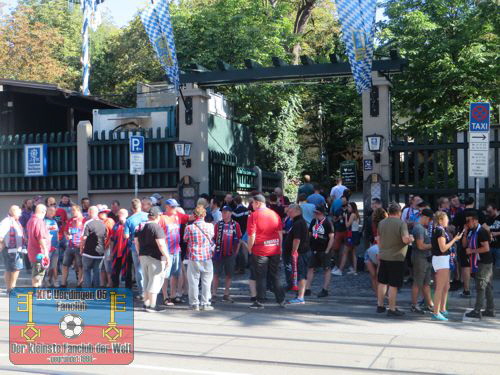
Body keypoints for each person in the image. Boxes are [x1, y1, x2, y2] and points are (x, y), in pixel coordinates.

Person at [247, 194, 285, 309]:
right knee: (275, 275)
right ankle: (281, 299)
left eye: (252, 203)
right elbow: (279, 233)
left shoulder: (254, 216)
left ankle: (260, 301)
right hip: (275, 248)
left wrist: (249, 248)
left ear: (258, 203)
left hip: (260, 249)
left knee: (261, 276)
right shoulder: (274, 214)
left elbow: (252, 235)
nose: (252, 205)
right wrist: (280, 247)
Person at [376, 202, 414, 316]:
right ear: (399, 212)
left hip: (383, 255)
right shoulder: (401, 223)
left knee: (382, 282)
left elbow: (378, 238)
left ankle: (380, 305)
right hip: (397, 257)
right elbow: (405, 240)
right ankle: (392, 309)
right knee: (393, 284)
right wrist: (411, 238)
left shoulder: (381, 223)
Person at [135, 207, 170, 313]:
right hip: (155, 257)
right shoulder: (157, 227)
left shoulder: (140, 226)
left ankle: (146, 304)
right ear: (157, 216)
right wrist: (167, 256)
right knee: (155, 280)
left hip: (143, 256)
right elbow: (161, 244)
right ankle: (152, 306)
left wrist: (139, 253)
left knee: (146, 280)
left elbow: (136, 242)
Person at [431, 211, 463, 321]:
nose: (448, 221)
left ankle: (442, 309)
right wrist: (454, 239)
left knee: (446, 287)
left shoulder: (440, 230)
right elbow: (443, 248)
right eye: (446, 219)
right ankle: (436, 312)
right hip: (441, 260)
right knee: (440, 287)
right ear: (440, 220)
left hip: (443, 259)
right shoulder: (440, 230)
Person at [463, 212, 495, 319]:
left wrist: (472, 251)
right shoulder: (473, 231)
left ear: (475, 221)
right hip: (484, 262)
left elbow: (486, 248)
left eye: (469, 221)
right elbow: (465, 244)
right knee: (487, 286)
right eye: (466, 221)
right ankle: (490, 309)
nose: (467, 223)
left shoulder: (481, 231)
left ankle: (477, 310)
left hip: (484, 263)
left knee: (481, 286)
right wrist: (465, 231)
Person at [183, 205, 215, 311]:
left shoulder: (189, 227)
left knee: (193, 281)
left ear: (194, 215)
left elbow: (185, 239)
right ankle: (205, 303)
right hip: (207, 256)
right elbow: (212, 237)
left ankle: (194, 303)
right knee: (206, 281)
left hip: (194, 257)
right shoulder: (210, 226)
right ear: (204, 214)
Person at [159, 199, 190, 305]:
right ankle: (165, 297)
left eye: (175, 206)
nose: (174, 208)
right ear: (167, 206)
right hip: (166, 251)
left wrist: (201, 211)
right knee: (165, 275)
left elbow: (191, 217)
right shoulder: (162, 218)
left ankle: (173, 295)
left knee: (176, 274)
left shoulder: (178, 215)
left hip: (176, 250)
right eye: (172, 207)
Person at [212, 206, 242, 303]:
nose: (223, 214)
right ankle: (214, 294)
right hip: (219, 253)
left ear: (230, 213)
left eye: (225, 212)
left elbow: (239, 239)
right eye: (222, 212)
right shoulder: (218, 225)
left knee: (229, 274)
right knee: (216, 274)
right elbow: (213, 238)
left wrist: (236, 252)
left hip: (230, 254)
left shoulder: (235, 225)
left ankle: (226, 294)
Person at [282, 205, 310, 305]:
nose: (288, 212)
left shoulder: (298, 223)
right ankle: (299, 295)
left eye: (290, 210)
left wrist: (294, 252)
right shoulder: (297, 222)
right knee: (298, 274)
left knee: (301, 274)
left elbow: (297, 239)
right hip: (300, 253)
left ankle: (300, 297)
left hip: (300, 253)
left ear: (296, 211)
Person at [305, 205, 334, 297]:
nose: (313, 214)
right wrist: (308, 245)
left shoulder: (327, 223)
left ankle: (325, 289)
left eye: (315, 212)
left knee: (326, 269)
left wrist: (327, 250)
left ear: (319, 213)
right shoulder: (314, 221)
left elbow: (331, 237)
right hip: (314, 249)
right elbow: (309, 234)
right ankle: (307, 288)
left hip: (324, 249)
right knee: (310, 268)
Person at [410, 209, 434, 314]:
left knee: (426, 283)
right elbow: (420, 246)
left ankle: (430, 304)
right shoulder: (419, 228)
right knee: (418, 283)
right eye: (429, 220)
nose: (429, 222)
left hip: (425, 258)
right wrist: (434, 245)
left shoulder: (422, 228)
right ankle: (414, 305)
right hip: (420, 258)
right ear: (426, 218)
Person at [124, 198, 149, 299]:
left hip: (135, 247)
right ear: (140, 206)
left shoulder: (129, 220)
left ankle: (142, 292)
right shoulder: (147, 216)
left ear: (132, 207)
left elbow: (126, 236)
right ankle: (150, 291)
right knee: (148, 269)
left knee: (139, 270)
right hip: (149, 245)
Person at [0, 205, 25, 293]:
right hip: (9, 249)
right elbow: (0, 236)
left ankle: (10, 288)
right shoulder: (6, 221)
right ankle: (11, 288)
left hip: (16, 250)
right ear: (14, 212)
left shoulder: (15, 221)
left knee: (14, 269)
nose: (20, 214)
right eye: (19, 213)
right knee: (12, 269)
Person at [80, 206, 106, 288]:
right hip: (100, 252)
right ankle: (96, 290)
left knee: (86, 271)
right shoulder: (103, 223)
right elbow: (105, 237)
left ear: (90, 212)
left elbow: (83, 238)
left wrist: (81, 249)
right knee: (96, 271)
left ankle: (88, 290)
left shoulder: (88, 223)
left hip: (88, 252)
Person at [364, 208, 388, 293]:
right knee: (382, 276)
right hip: (382, 250)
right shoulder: (386, 225)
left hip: (372, 250)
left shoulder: (373, 223)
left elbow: (368, 235)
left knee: (373, 276)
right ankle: (384, 296)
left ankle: (378, 297)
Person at [26, 204, 50, 287]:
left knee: (37, 273)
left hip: (33, 251)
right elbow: (41, 238)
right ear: (43, 211)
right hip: (39, 252)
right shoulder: (39, 221)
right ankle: (36, 294)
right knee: (38, 275)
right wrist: (46, 252)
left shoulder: (31, 220)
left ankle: (37, 292)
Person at [62, 205, 85, 288]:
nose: (72, 212)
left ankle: (79, 284)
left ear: (78, 211)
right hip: (70, 245)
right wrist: (67, 236)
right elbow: (65, 231)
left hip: (79, 246)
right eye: (71, 210)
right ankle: (63, 283)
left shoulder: (84, 220)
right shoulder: (70, 220)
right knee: (65, 265)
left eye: (73, 210)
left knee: (80, 266)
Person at [110, 209, 132, 288]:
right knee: (115, 272)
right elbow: (112, 240)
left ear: (126, 215)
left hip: (127, 252)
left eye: (122, 214)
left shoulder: (129, 224)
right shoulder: (115, 225)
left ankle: (128, 290)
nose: (120, 215)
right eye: (119, 214)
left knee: (128, 272)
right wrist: (111, 252)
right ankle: (115, 290)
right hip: (117, 252)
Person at [338, 202, 361, 275]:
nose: (348, 208)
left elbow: (347, 225)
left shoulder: (352, 215)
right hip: (355, 234)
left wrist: (345, 218)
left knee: (345, 252)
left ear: (352, 208)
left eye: (349, 207)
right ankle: (355, 270)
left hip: (351, 234)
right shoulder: (356, 215)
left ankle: (340, 270)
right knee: (353, 253)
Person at [331, 194, 349, 276]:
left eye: (344, 201)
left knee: (347, 250)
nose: (343, 202)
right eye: (342, 201)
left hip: (347, 231)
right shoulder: (338, 210)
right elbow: (333, 220)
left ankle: (347, 266)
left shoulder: (349, 210)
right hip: (338, 231)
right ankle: (336, 265)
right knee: (335, 249)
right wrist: (339, 218)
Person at [97, 205, 115, 287]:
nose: (104, 214)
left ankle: (110, 284)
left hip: (108, 247)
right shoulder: (98, 221)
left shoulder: (109, 221)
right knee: (102, 268)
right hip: (100, 247)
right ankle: (102, 284)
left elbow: (112, 235)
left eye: (104, 213)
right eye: (102, 212)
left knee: (108, 268)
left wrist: (111, 248)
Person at [232, 195, 249, 274]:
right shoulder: (246, 210)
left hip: (237, 231)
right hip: (245, 231)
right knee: (243, 250)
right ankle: (243, 267)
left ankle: (238, 267)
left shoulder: (235, 212)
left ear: (235, 202)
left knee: (238, 250)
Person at [43, 206, 59, 287]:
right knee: (46, 266)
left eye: (54, 211)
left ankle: (54, 280)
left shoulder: (55, 221)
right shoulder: (43, 221)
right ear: (47, 211)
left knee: (54, 265)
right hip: (46, 247)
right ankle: (46, 280)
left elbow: (57, 233)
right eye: (51, 211)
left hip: (55, 246)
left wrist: (57, 243)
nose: (53, 212)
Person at [485, 203, 500, 270]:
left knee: (498, 266)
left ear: (495, 209)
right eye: (488, 212)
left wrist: (497, 233)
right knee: (489, 266)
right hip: (490, 245)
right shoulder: (489, 219)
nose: (489, 213)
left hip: (499, 246)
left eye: (490, 212)